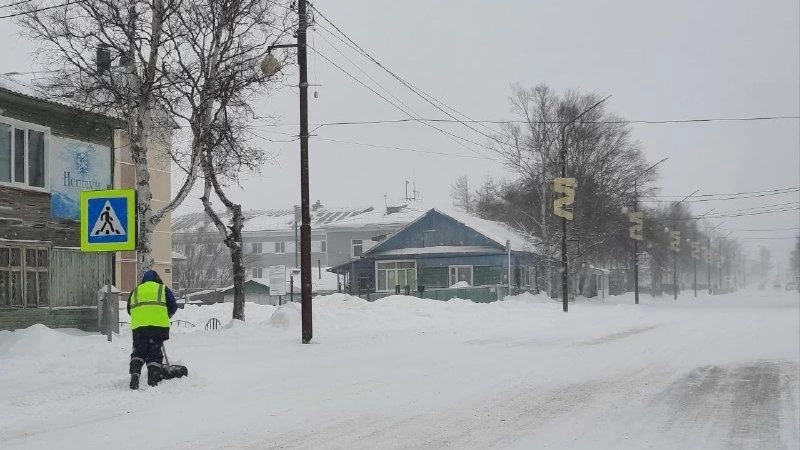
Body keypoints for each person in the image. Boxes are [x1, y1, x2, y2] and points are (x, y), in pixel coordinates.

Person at [127, 270, 177, 390]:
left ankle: (135, 374)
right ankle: (153, 379)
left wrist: (141, 316)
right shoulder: (163, 289)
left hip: (139, 328)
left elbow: (129, 309)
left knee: (138, 353)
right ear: (157, 279)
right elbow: (173, 306)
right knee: (154, 354)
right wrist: (166, 315)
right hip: (158, 328)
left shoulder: (136, 291)